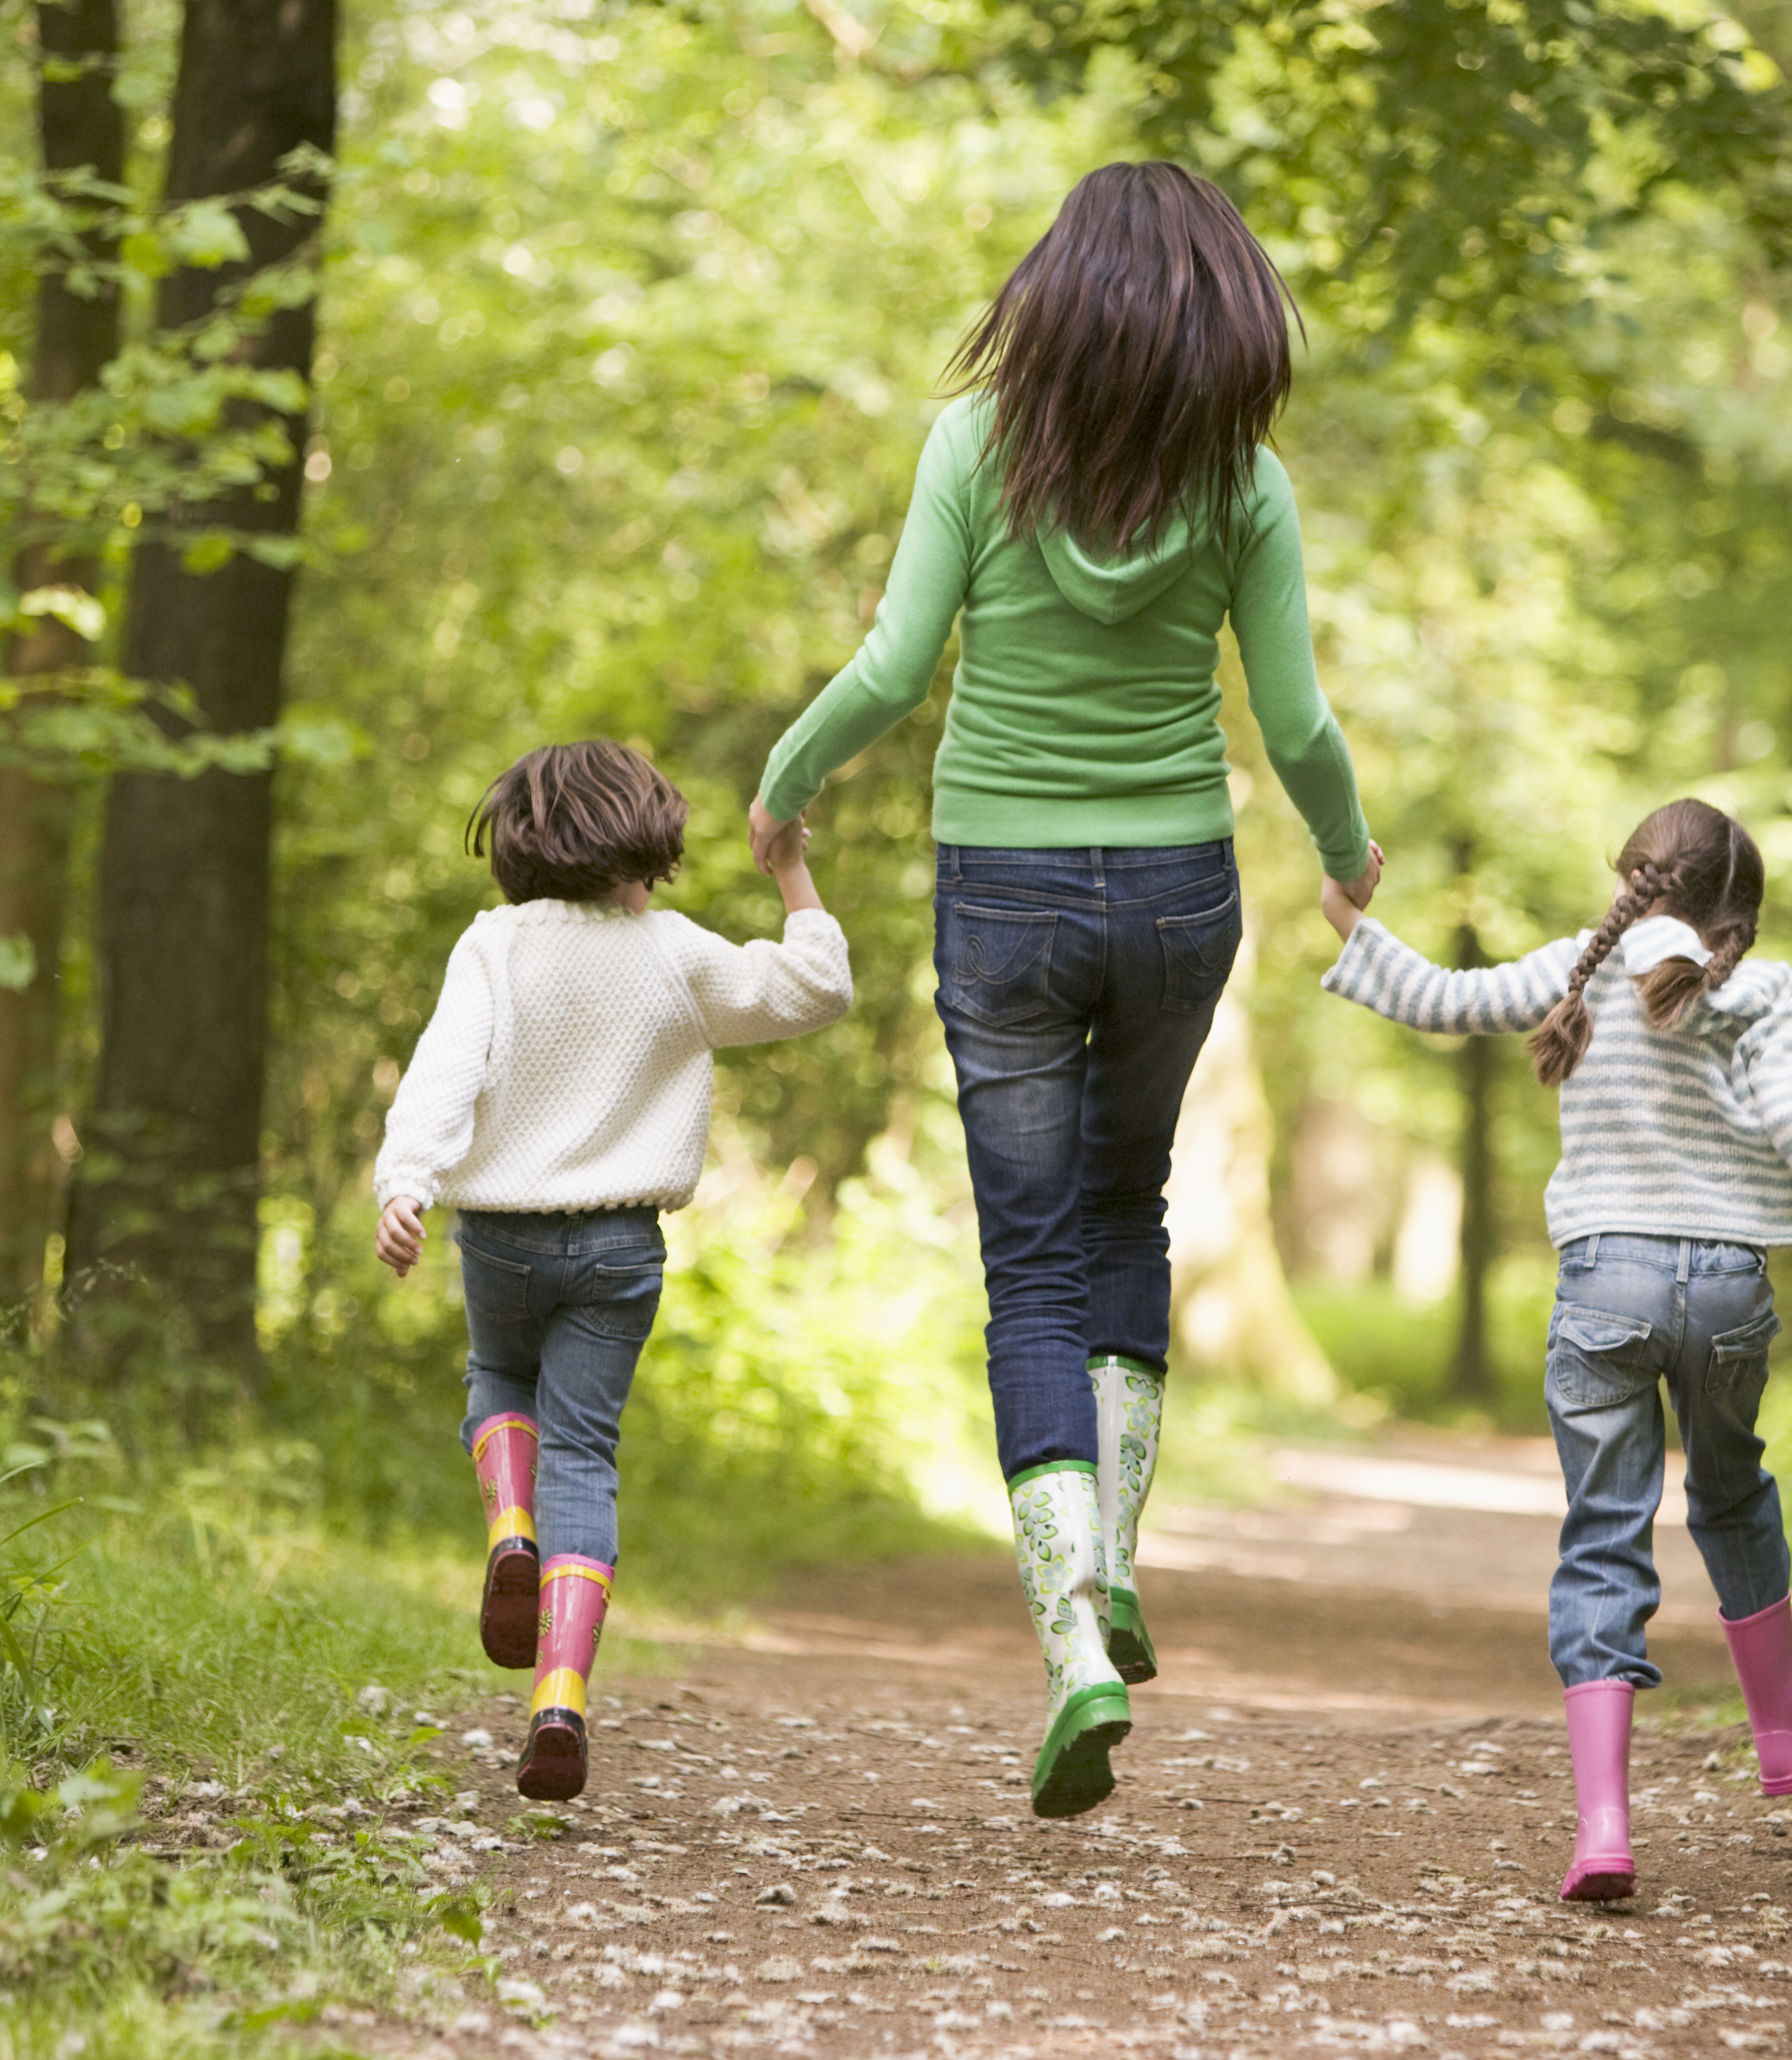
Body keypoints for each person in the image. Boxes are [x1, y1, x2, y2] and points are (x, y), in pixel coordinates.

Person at [747, 161, 1381, 1819]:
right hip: (1180, 888)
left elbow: (894, 667)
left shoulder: (977, 449)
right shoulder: (1247, 486)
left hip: (1002, 892)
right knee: (1130, 1215)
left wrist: (784, 783)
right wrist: (1348, 847)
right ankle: (1116, 1556)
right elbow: (1299, 723)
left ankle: (1076, 1635)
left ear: (1054, 298)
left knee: (1029, 1265)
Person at [1315, 797, 1792, 1900]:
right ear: (1741, 906)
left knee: (1604, 1532)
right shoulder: (1759, 995)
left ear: (1632, 876)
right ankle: (1782, 1736)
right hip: (1729, 1288)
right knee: (1733, 1496)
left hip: (1605, 1283)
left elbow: (1446, 1001)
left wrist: (1347, 918)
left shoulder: (1578, 968)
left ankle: (1604, 1830)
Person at [373, 741, 851, 1801]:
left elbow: (445, 1069)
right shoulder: (673, 951)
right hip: (622, 1247)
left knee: (499, 1380)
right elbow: (819, 989)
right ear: (645, 846)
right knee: (584, 1453)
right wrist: (787, 870)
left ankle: (509, 1530)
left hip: (499, 1234)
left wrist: (406, 1180)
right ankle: (560, 1700)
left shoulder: (495, 945)